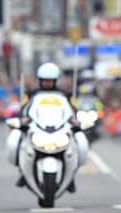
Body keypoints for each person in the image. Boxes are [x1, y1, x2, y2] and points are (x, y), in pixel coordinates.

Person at [17, 62, 79, 192]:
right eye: (45, 80)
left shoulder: (65, 95)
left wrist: (75, 120)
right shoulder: (31, 94)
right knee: (17, 139)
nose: (47, 83)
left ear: (55, 81)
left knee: (79, 143)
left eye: (50, 81)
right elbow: (24, 108)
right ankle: (22, 172)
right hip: (38, 128)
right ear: (40, 80)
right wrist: (23, 118)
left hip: (59, 129)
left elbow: (72, 109)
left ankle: (71, 176)